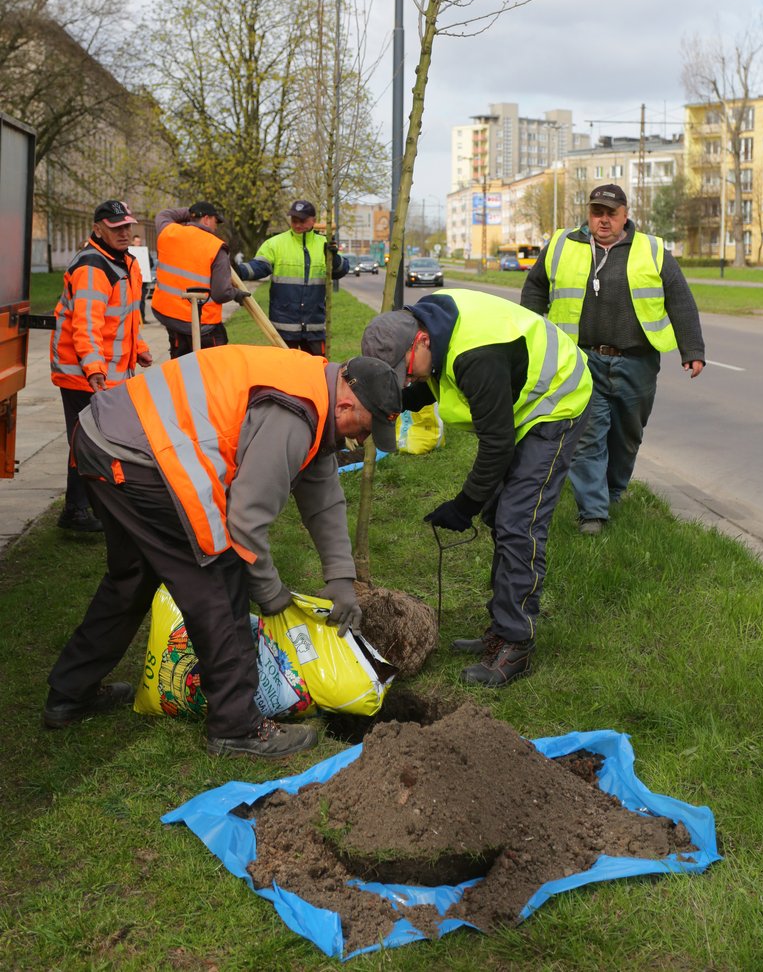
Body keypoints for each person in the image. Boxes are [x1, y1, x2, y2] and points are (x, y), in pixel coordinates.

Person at [42, 346, 402, 759]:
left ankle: (70, 694)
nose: (361, 439)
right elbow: (245, 525)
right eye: (365, 428)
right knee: (218, 575)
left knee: (134, 576)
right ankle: (237, 726)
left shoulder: (312, 392)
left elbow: (323, 497)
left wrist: (340, 581)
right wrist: (270, 593)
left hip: (103, 436)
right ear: (345, 403)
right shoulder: (294, 413)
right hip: (137, 455)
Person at [361, 287, 592, 688]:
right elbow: (427, 381)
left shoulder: (476, 356)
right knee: (501, 515)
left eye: (405, 369)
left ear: (421, 341)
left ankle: (515, 643)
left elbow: (497, 445)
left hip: (556, 401)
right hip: (516, 396)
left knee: (520, 521)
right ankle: (500, 627)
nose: (409, 377)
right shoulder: (430, 328)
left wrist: (463, 505)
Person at [520, 184, 705, 535]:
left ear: (625, 214)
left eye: (611, 213)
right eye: (597, 212)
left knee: (626, 436)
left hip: (636, 361)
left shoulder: (651, 250)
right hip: (581, 358)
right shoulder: (562, 244)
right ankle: (593, 512)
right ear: (589, 213)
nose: (603, 220)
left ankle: (613, 491)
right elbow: (535, 287)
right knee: (588, 434)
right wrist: (530, 333)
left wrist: (692, 350)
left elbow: (679, 298)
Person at [50, 200, 153, 534]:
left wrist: (138, 348)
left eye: (127, 226)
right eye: (116, 227)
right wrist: (95, 369)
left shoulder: (123, 261)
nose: (125, 232)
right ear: (98, 229)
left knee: (96, 441)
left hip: (105, 372)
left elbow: (128, 314)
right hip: (83, 374)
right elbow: (87, 326)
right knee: (88, 443)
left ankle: (85, 508)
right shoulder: (93, 267)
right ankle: (78, 512)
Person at [235, 199, 348, 354]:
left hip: (314, 326)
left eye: (302, 220)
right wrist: (237, 271)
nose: (297, 224)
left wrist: (334, 258)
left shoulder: (325, 244)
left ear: (313, 221)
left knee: (316, 372)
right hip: (283, 328)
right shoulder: (275, 244)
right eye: (294, 220)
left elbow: (341, 271)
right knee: (284, 374)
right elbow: (259, 267)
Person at [151, 201, 249, 358]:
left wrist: (191, 213)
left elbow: (164, 214)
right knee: (211, 372)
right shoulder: (216, 247)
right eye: (216, 221)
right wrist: (236, 293)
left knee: (181, 370)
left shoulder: (168, 232)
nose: (216, 227)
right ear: (207, 219)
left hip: (172, 320)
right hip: (204, 326)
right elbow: (221, 293)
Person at [130, 234, 154, 323]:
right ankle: (134, 319)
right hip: (132, 279)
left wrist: (146, 270)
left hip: (143, 279)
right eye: (136, 242)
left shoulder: (144, 252)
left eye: (139, 242)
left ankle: (142, 318)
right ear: (132, 242)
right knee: (132, 299)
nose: (138, 243)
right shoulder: (129, 251)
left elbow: (151, 263)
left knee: (142, 299)